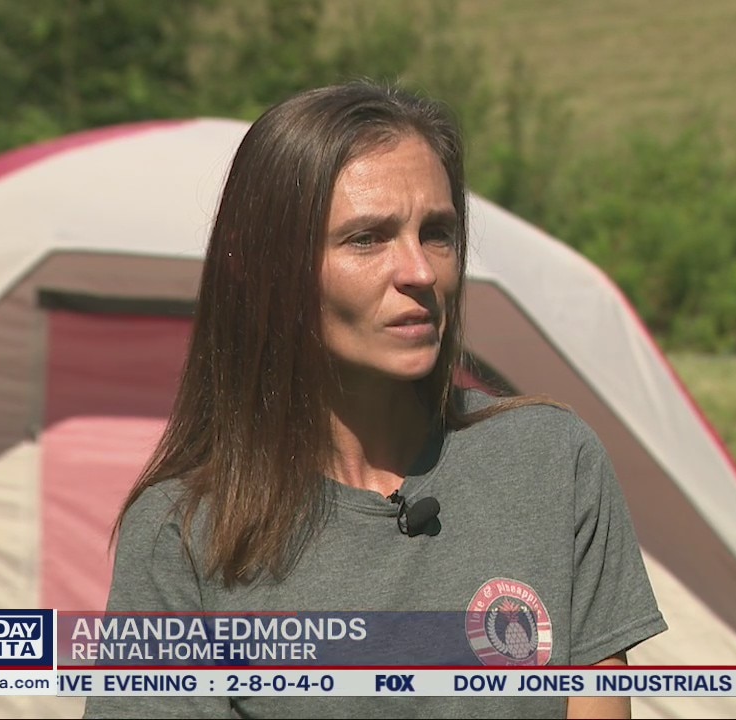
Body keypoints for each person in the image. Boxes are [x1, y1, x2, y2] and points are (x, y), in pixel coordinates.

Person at [83, 81, 666, 720]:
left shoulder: (552, 462)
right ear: (262, 267)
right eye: (367, 238)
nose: (420, 271)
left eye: (437, 233)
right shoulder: (184, 531)